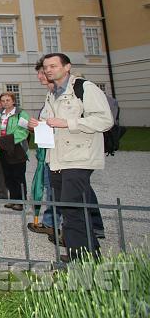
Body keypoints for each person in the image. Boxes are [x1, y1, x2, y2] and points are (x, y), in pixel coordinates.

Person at [34, 53, 113, 261]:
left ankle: (79, 257)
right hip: (58, 158)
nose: (48, 70)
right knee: (73, 208)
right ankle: (89, 252)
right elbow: (50, 121)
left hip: (79, 156)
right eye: (46, 67)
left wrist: (68, 123)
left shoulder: (85, 88)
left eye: (53, 66)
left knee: (72, 208)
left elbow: (105, 120)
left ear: (67, 67)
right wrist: (40, 124)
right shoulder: (53, 94)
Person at [0, 92, 30, 211]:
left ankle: (20, 201)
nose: (5, 103)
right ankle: (13, 199)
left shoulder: (21, 114)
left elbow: (23, 131)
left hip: (16, 148)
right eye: (3, 101)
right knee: (8, 176)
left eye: (8, 100)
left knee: (18, 175)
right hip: (2, 149)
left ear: (13, 101)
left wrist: (7, 141)